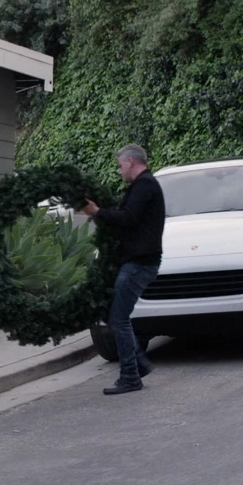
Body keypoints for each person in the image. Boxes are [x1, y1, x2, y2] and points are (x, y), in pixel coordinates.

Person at [80, 144, 166, 395]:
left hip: (140, 264)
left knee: (118, 319)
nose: (119, 171)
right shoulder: (143, 186)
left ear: (130, 162)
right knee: (113, 316)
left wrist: (97, 212)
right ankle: (137, 365)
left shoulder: (145, 186)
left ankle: (130, 376)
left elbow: (127, 218)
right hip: (137, 263)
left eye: (120, 166)